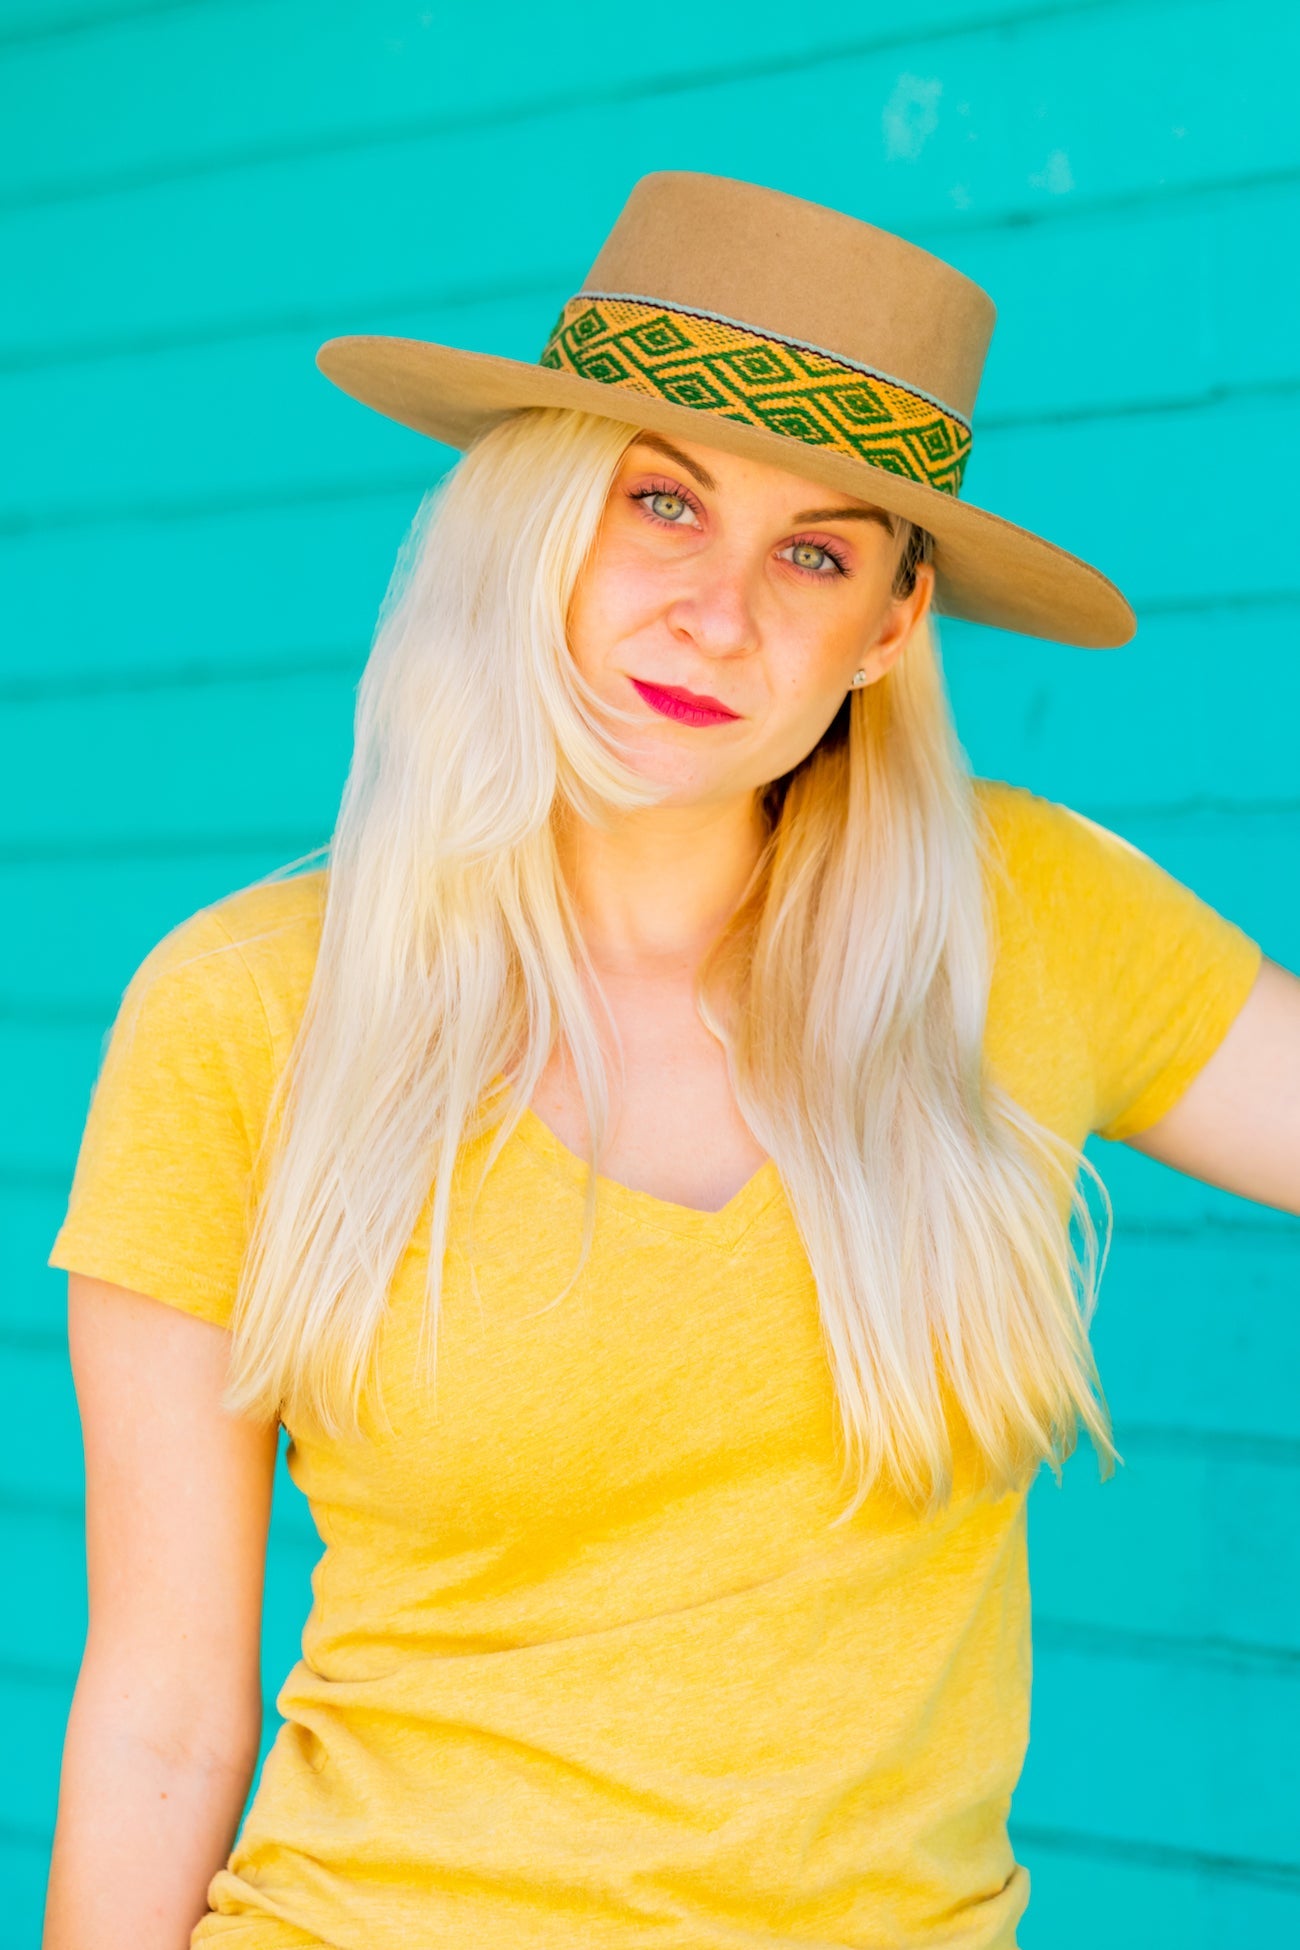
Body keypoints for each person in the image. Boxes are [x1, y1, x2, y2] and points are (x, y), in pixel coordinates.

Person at [41, 172, 1300, 1950]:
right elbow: (165, 1720)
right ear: (536, 520)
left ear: (890, 628)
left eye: (816, 549)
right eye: (661, 505)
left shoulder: (1017, 924)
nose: (719, 614)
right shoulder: (249, 1008)